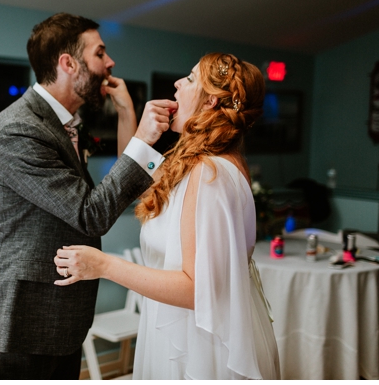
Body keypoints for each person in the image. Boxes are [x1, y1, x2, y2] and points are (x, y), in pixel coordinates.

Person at [52, 53, 281, 380]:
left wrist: (104, 265)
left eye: (189, 79)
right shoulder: (199, 164)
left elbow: (194, 289)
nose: (177, 83)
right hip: (178, 328)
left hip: (199, 343)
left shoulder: (210, 174)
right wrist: (127, 112)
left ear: (211, 101)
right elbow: (139, 180)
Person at [0, 13, 168, 380]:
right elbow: (90, 214)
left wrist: (127, 112)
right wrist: (146, 139)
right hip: (21, 323)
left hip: (60, 319)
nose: (110, 64)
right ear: (68, 63)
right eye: (100, 54)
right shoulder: (19, 130)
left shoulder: (68, 123)